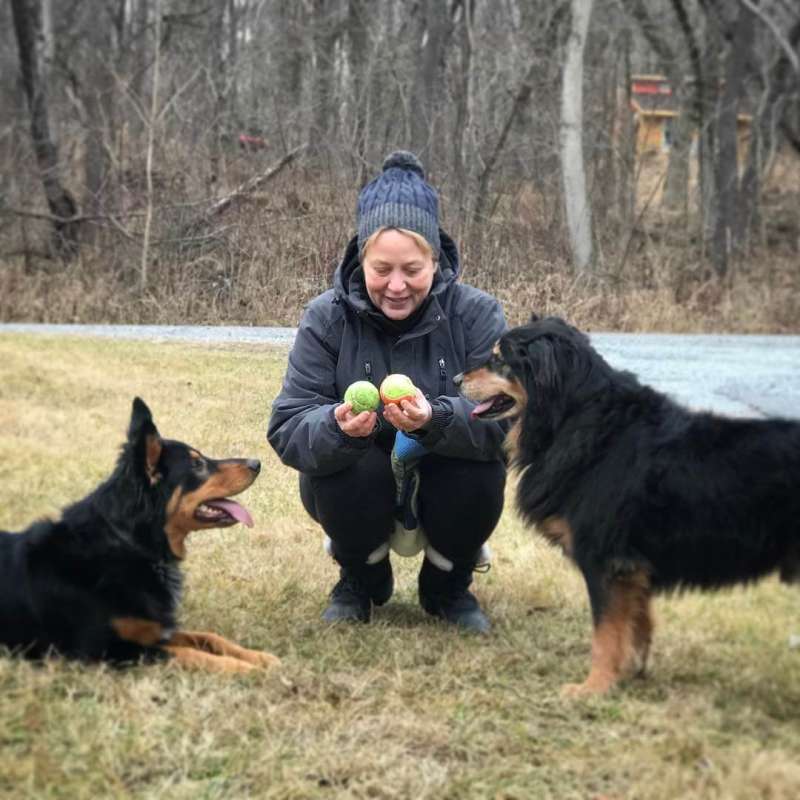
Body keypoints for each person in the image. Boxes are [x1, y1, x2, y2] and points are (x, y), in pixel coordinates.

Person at [267, 151, 508, 632]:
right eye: (381, 270)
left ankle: (447, 584)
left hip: (445, 477)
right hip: (362, 483)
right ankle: (361, 575)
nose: (396, 286)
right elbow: (288, 426)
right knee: (348, 469)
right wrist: (337, 427)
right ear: (361, 259)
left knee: (477, 475)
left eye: (412, 270)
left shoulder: (478, 315)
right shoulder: (325, 318)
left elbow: (509, 420)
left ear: (436, 261)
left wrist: (436, 419)